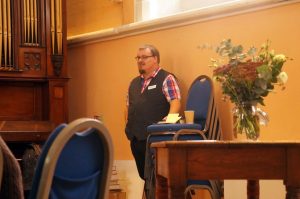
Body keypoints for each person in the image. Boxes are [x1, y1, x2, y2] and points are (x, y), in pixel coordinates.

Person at [125, 44, 181, 180]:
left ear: (155, 59)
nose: (140, 60)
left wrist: (168, 126)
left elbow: (176, 103)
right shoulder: (133, 83)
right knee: (146, 178)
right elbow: (127, 107)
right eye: (138, 57)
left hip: (157, 140)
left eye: (144, 57)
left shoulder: (167, 78)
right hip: (136, 140)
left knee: (161, 180)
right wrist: (128, 126)